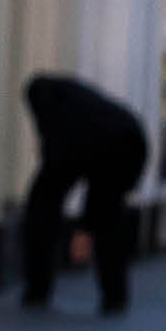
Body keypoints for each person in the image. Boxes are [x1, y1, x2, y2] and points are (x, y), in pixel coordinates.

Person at [18, 74, 151, 317]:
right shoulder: (79, 102)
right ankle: (115, 298)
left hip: (104, 146)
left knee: (42, 209)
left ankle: (37, 289)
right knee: (108, 219)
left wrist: (84, 229)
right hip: (129, 144)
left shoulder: (57, 114)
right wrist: (87, 226)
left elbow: (58, 161)